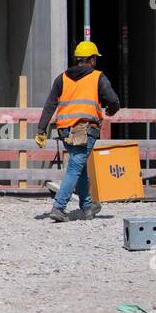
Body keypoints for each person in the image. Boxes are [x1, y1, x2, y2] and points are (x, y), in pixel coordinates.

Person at [34, 41, 121, 222]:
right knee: (75, 167)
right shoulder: (97, 77)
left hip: (65, 131)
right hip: (85, 130)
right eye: (95, 58)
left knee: (79, 168)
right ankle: (58, 207)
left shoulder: (62, 78)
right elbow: (113, 100)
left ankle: (87, 207)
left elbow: (50, 104)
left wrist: (41, 129)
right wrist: (110, 111)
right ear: (91, 59)